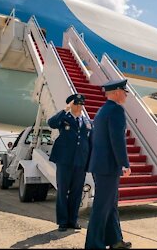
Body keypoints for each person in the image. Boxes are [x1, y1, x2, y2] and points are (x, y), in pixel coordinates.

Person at [85, 79, 132, 249]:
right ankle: (94, 245)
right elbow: (117, 140)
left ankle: (115, 240)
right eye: (125, 91)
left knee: (110, 204)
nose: (126, 95)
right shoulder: (116, 111)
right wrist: (124, 163)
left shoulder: (102, 111)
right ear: (117, 92)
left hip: (100, 165)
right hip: (108, 166)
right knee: (102, 207)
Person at [48, 93, 92, 232]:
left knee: (76, 192)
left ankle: (73, 220)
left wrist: (89, 161)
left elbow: (90, 142)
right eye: (76, 104)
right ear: (71, 104)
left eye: (81, 104)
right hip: (64, 160)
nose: (79, 106)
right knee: (62, 191)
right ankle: (62, 221)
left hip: (80, 161)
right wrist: (65, 109)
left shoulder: (86, 121)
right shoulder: (64, 118)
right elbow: (51, 123)